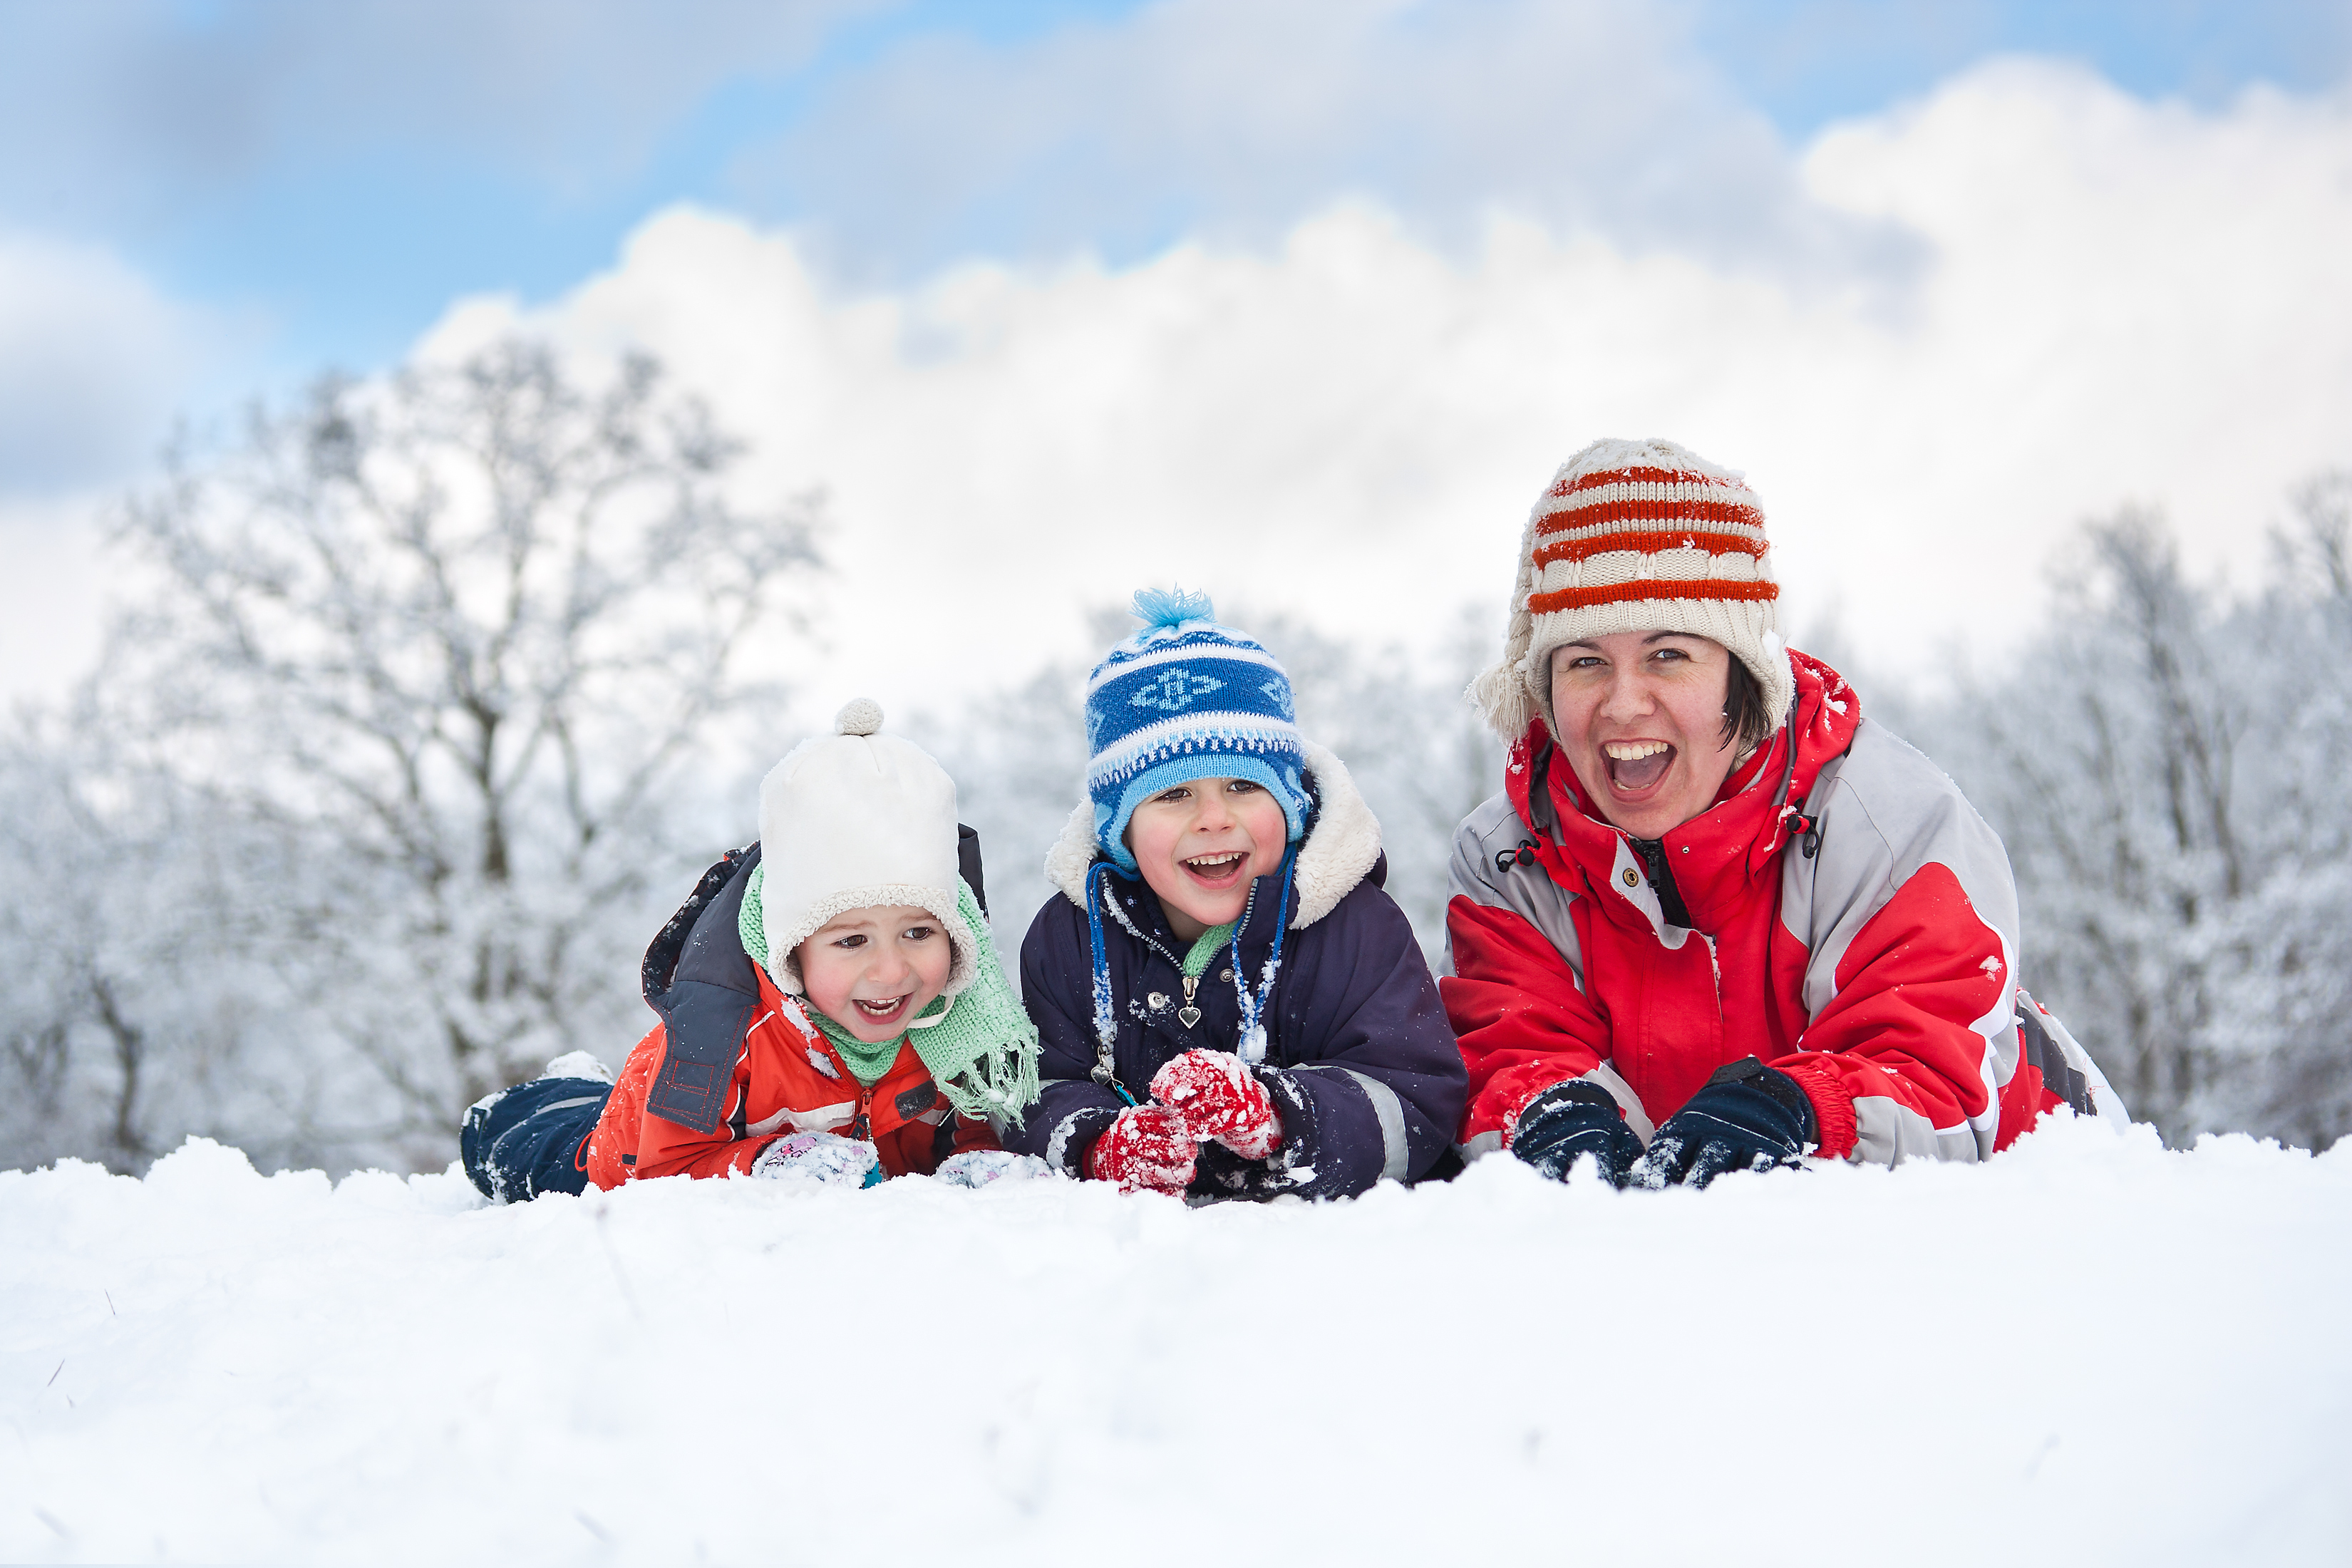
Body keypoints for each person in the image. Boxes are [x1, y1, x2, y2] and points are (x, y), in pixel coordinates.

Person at [1444, 437, 2126, 1188]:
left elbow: (1931, 1064)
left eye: (1668, 654)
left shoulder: (1889, 827)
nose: (1624, 702)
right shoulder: (1512, 859)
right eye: (1585, 661)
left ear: (1744, 672)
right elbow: (1510, 1047)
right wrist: (1549, 1114)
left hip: (2032, 1206)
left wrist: (1803, 1108)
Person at [460, 699, 1043, 1202]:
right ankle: (548, 1096)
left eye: (918, 933)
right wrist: (766, 1163)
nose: (892, 972)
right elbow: (666, 1171)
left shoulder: (957, 1021)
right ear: (792, 949)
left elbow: (960, 1124)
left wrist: (973, 1161)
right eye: (851, 940)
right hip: (621, 1153)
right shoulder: (725, 1033)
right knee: (521, 1149)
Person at [1002, 589, 1466, 1200]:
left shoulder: (1356, 930)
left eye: (1244, 786)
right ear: (1121, 829)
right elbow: (1034, 1091)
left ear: (1289, 805)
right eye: (1174, 795)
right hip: (1134, 1251)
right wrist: (1098, 1144)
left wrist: (1280, 1115)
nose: (1215, 819)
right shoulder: (1070, 941)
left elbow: (1416, 1100)